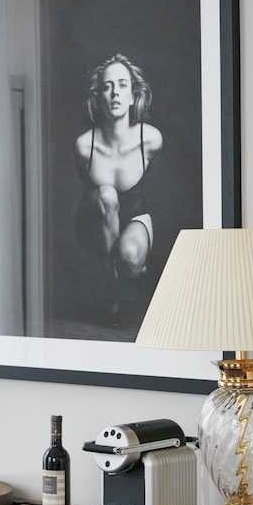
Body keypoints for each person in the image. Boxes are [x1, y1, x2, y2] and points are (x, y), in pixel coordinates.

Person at [73, 53, 163, 320]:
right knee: (106, 194)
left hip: (135, 216)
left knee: (130, 257)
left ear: (133, 96)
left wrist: (129, 260)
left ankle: (131, 268)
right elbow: (90, 192)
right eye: (107, 86)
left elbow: (145, 178)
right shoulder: (84, 146)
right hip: (94, 220)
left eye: (122, 85)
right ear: (98, 97)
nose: (115, 93)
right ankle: (108, 279)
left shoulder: (151, 140)